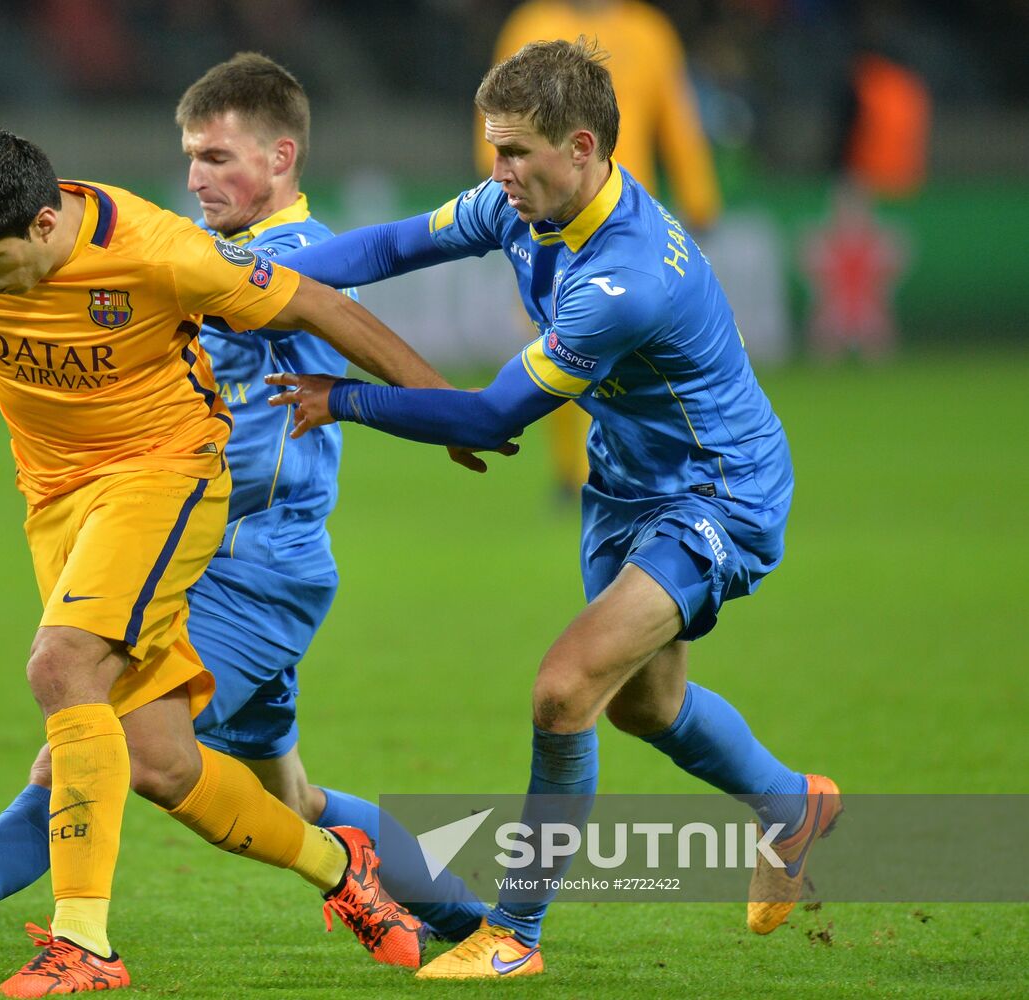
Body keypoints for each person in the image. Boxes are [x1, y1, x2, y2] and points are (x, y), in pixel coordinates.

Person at [0, 58, 486, 988]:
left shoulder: (240, 255)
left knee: (86, 726)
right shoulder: (144, 244)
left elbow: (338, 293)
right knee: (269, 790)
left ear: (281, 157)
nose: (197, 177)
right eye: (190, 156)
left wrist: (445, 412)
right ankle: (459, 908)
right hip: (157, 540)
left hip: (248, 559)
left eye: (219, 157)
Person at [266, 37, 840, 979]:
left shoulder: (627, 282)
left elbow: (496, 416)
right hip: (626, 481)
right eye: (495, 151)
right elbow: (393, 243)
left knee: (564, 689)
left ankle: (514, 935)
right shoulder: (522, 204)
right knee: (647, 709)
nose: (498, 174)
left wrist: (344, 398)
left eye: (516, 153)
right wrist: (261, 280)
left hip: (717, 492)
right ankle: (791, 804)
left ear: (582, 147)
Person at [482, 0, 722, 503]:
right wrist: (506, 190)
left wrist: (699, 194)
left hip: (628, 220)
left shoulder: (649, 32)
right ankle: (573, 473)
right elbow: (496, 122)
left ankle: (648, 465)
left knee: (633, 353)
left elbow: (676, 116)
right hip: (548, 217)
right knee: (557, 342)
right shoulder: (533, 25)